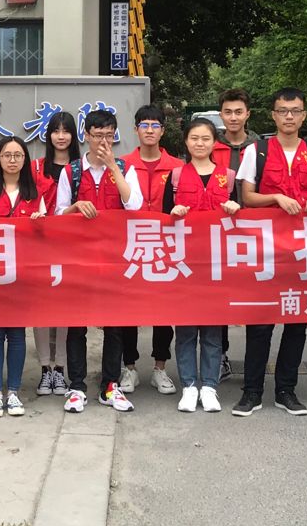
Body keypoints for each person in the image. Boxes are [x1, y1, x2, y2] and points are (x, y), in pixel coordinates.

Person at [235, 88, 307, 417]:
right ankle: (252, 391)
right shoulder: (256, 151)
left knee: (297, 323)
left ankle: (286, 390)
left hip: (302, 250)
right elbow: (247, 197)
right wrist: (275, 198)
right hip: (265, 249)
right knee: (260, 322)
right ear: (273, 115)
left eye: (295, 111)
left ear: (304, 115)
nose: (289, 116)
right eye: (283, 111)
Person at [55, 108, 143, 413]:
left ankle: (110, 385)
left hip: (115, 259)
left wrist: (113, 168)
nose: (103, 141)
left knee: (114, 325)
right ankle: (77, 387)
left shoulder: (125, 168)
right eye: (97, 135)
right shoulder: (71, 171)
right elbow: (58, 214)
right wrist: (75, 207)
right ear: (86, 136)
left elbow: (134, 206)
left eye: (109, 135)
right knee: (76, 325)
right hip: (79, 259)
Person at [164, 118, 239, 413]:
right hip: (184, 264)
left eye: (205, 138)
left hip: (217, 265)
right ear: (186, 141)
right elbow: (160, 219)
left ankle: (209, 386)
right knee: (185, 331)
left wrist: (235, 209)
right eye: (194, 138)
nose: (199, 143)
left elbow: (241, 222)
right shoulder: (175, 177)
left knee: (212, 330)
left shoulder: (228, 177)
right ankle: (189, 386)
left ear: (214, 143)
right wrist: (173, 212)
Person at [0, 135, 45, 417]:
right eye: (7, 155)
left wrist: (40, 224)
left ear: (25, 160)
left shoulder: (34, 194)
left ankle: (13, 392)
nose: (12, 160)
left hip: (22, 274)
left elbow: (46, 236)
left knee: (16, 333)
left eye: (18, 155)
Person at [120, 103, 182, 396]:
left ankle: (160, 367)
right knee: (128, 309)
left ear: (162, 131)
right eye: (143, 125)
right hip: (131, 244)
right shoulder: (123, 165)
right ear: (135, 130)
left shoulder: (178, 167)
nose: (149, 130)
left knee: (164, 308)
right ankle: (129, 367)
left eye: (154, 125)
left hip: (166, 245)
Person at [211, 89, 262, 379]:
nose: (233, 117)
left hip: (253, 231)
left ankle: (254, 362)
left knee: (253, 296)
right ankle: (220, 356)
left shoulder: (260, 147)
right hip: (217, 231)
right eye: (228, 112)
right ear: (221, 114)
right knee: (219, 297)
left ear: (247, 114)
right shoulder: (210, 144)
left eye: (238, 112)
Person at [32, 110, 77, 396]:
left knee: (65, 310)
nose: (61, 136)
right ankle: (44, 369)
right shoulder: (36, 167)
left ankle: (60, 369)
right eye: (56, 131)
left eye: (66, 130)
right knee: (40, 309)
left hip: (71, 246)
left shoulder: (80, 168)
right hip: (40, 245)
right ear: (48, 135)